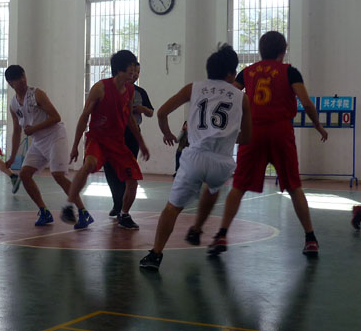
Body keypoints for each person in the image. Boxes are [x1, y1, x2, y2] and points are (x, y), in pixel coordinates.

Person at [207, 31, 328, 257]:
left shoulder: (247, 72)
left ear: (261, 51)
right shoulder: (290, 71)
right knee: (294, 186)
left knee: (239, 185)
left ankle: (221, 234)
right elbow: (306, 102)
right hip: (281, 131)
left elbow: (228, 94)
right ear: (283, 50)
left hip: (253, 131)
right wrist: (318, 125)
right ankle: (310, 238)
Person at [140, 44, 251, 270]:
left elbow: (161, 112)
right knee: (213, 187)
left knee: (172, 208)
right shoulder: (242, 98)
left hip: (195, 158)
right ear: (231, 73)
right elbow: (247, 137)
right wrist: (228, 138)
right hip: (222, 163)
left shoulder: (194, 88)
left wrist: (167, 133)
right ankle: (197, 228)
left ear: (209, 70)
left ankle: (155, 254)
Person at [67, 50, 150, 230]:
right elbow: (84, 117)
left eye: (135, 68)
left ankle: (124, 215)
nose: (134, 72)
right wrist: (75, 146)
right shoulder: (100, 88)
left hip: (117, 142)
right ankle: (69, 205)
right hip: (97, 139)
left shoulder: (130, 90)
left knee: (133, 181)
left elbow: (129, 119)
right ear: (119, 69)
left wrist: (142, 143)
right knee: (89, 164)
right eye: (130, 68)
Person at [5, 65, 86, 226]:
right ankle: (44, 211)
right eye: (18, 79)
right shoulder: (13, 105)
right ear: (10, 82)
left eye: (23, 76)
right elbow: (16, 131)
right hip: (38, 141)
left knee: (58, 175)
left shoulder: (37, 94)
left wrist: (34, 128)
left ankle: (83, 212)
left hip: (55, 136)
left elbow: (56, 117)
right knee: (25, 174)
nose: (22, 80)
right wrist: (12, 157)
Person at [103, 61, 153, 217]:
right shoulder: (108, 89)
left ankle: (123, 207)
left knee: (128, 171)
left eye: (138, 72)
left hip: (132, 134)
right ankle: (117, 202)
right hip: (112, 134)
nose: (135, 75)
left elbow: (151, 112)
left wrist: (143, 109)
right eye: (132, 71)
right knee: (110, 169)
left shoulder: (140, 92)